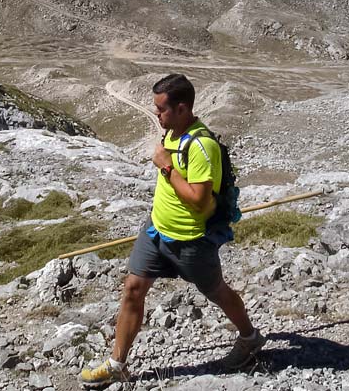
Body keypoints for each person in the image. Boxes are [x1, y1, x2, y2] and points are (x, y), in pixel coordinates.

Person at [80, 73, 264, 388]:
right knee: (133, 289)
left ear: (182, 108)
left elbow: (198, 199)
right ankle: (117, 363)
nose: (157, 114)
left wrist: (165, 166)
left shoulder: (201, 145)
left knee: (216, 291)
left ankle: (249, 338)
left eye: (161, 109)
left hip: (191, 240)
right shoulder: (172, 132)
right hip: (156, 230)